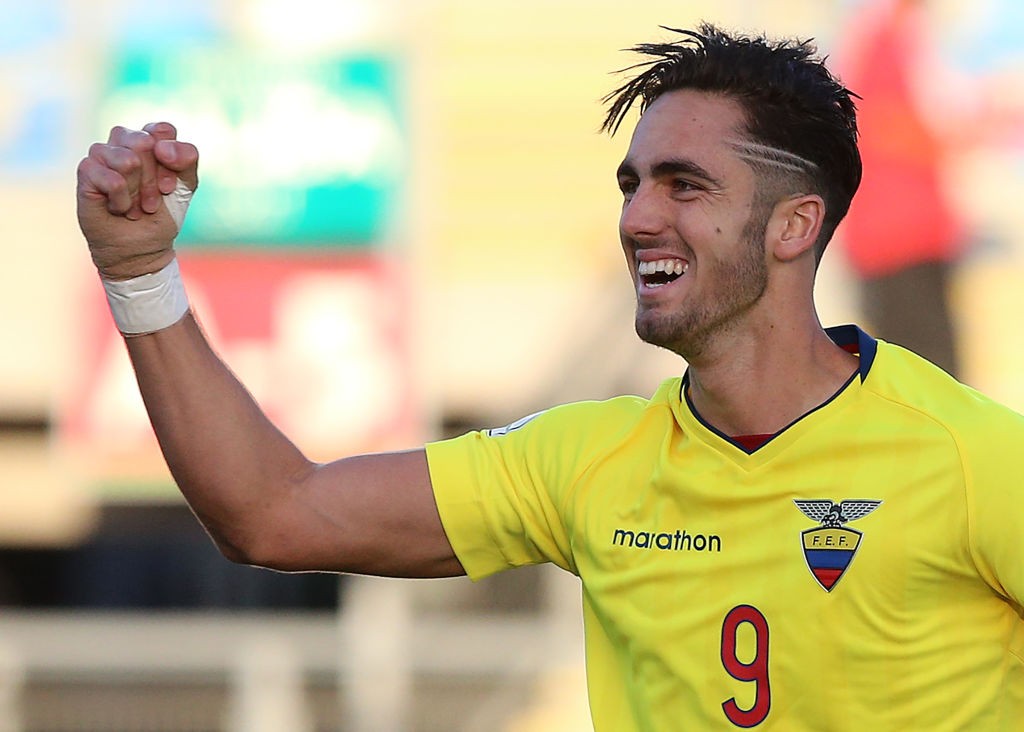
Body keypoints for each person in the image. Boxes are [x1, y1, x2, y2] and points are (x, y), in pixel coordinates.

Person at [76, 23, 1024, 731]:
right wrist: (138, 275)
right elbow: (275, 512)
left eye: (683, 185)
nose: (640, 218)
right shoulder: (584, 462)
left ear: (793, 226)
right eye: (632, 184)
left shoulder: (975, 458)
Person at [835, 0, 967, 377]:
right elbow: (906, 124)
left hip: (900, 235)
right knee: (926, 375)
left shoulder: (879, 37)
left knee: (917, 375)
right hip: (898, 237)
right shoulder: (891, 38)